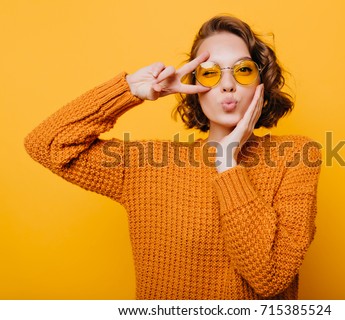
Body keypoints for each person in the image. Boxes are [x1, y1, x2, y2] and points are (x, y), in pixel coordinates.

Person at [24, 15, 321, 300]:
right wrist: (130, 90)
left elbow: (269, 277)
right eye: (211, 72)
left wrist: (228, 164)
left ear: (261, 83)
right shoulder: (148, 165)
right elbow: (46, 144)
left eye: (243, 70)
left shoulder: (296, 157)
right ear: (193, 85)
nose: (228, 85)